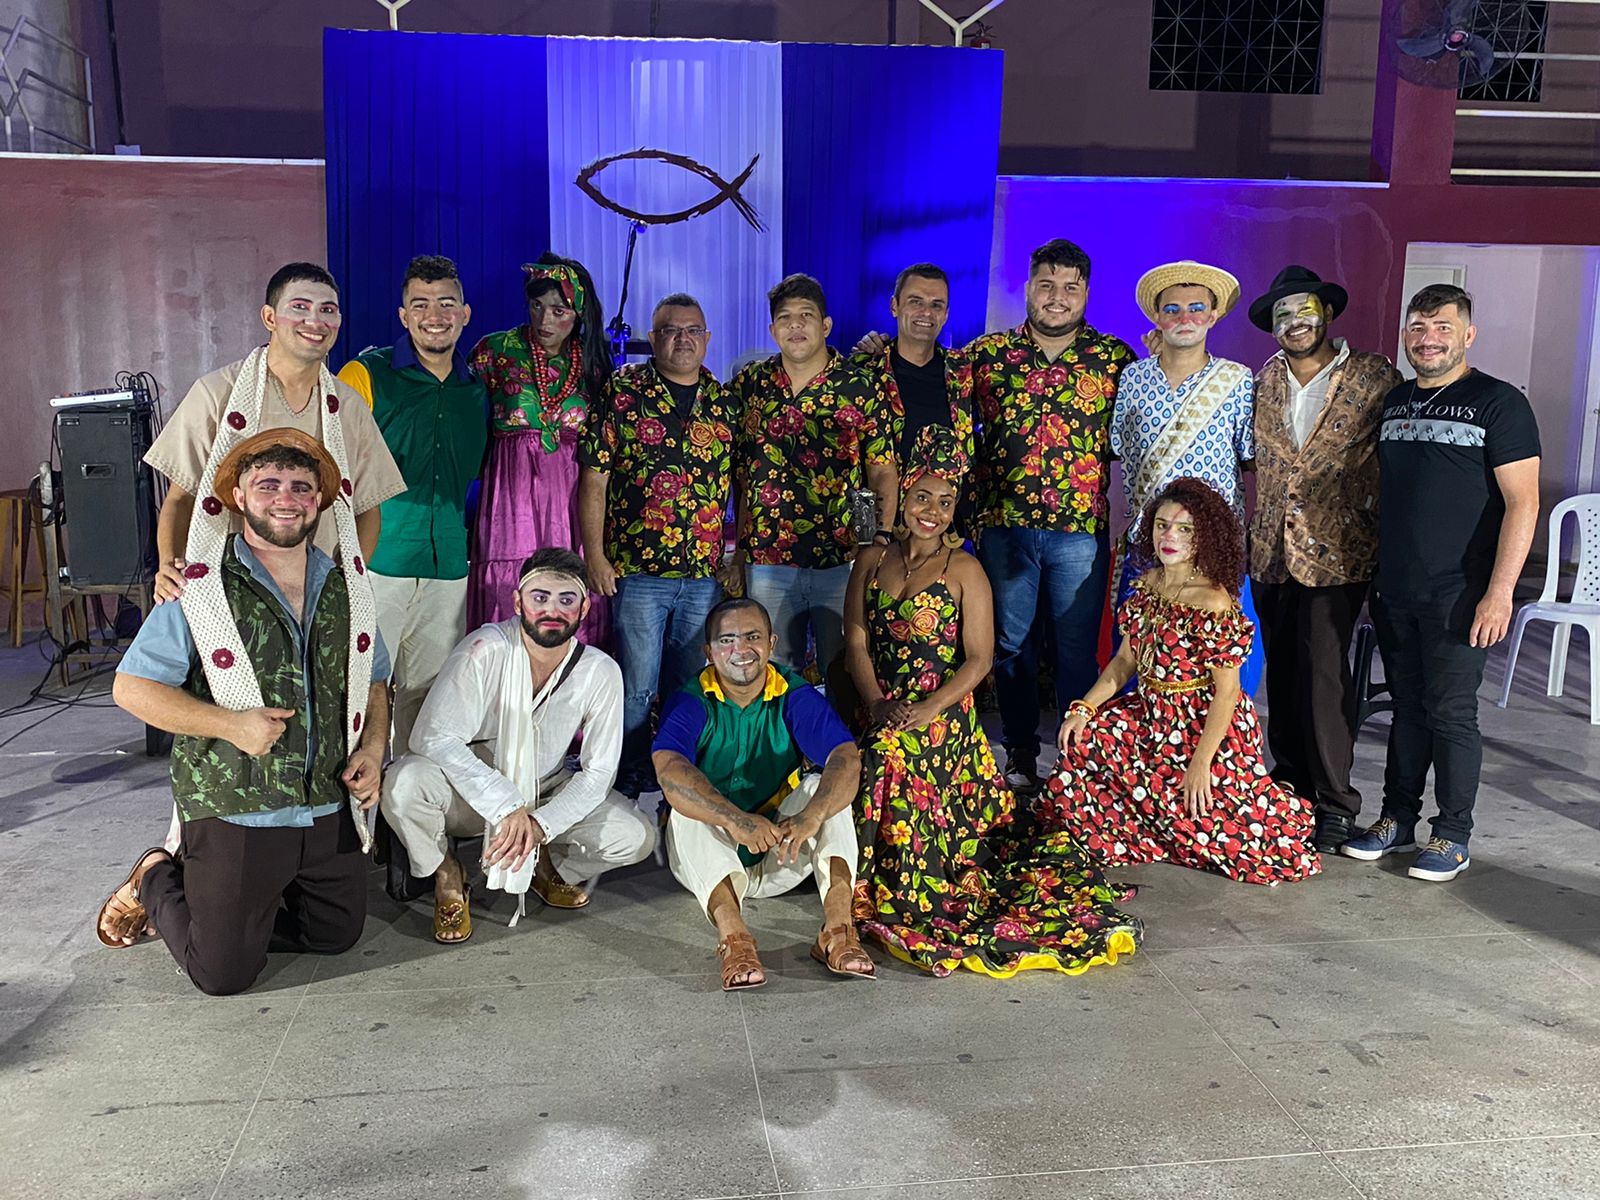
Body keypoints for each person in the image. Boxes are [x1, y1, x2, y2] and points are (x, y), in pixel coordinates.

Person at [95, 429, 391, 994]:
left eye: (301, 487)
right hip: (238, 806)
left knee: (336, 935)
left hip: (325, 802)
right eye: (268, 485)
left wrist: (374, 749)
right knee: (222, 973)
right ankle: (156, 875)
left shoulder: (347, 589)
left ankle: (240, 908)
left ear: (319, 501)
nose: (286, 498)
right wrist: (230, 725)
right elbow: (131, 688)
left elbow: (375, 681)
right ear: (238, 497)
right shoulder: (197, 586)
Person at [844, 428, 1141, 977]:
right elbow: (856, 641)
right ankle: (862, 872)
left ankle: (895, 879)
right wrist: (877, 702)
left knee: (890, 754)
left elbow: (980, 660)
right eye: (922, 497)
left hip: (944, 713)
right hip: (882, 704)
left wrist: (929, 709)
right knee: (877, 746)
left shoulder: (965, 569)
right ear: (903, 498)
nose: (932, 512)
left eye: (945, 502)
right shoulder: (871, 559)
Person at [1341, 285, 1540, 882]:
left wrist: (1500, 593)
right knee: (1407, 710)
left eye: (1443, 327)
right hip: (1397, 589)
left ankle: (1452, 833)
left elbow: (1523, 503)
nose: (1429, 339)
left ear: (1468, 335)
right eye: (1418, 327)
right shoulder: (1396, 402)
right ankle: (1397, 819)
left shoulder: (1499, 403)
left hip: (1462, 593)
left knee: (1451, 713)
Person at [1040, 477, 1320, 886]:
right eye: (1162, 525)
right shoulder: (1147, 585)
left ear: (1204, 537)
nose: (1169, 536)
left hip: (1205, 728)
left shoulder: (1213, 600)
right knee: (1082, 741)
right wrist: (1083, 708)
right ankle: (1146, 824)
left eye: (1184, 529)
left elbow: (1228, 693)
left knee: (1234, 841)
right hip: (1150, 716)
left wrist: (1201, 763)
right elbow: (1124, 663)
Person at [381, 549, 656, 941]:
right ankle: (448, 874)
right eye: (540, 597)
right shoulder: (484, 649)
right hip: (473, 795)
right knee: (403, 784)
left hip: (546, 788)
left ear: (584, 609)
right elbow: (432, 735)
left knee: (635, 836)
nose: (552, 610)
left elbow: (598, 772)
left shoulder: (599, 670)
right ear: (517, 602)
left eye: (566, 599)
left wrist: (541, 825)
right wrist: (505, 802)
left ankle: (541, 863)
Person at [965, 239, 1136, 792]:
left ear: (1086, 292)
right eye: (1046, 285)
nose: (1057, 297)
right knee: (1011, 647)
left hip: (1078, 533)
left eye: (1069, 287)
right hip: (1005, 529)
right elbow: (928, 389)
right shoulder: (987, 355)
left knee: (1076, 651)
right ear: (1028, 289)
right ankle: (1019, 753)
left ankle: (1076, 760)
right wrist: (875, 349)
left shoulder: (1114, 358)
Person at [1246, 266, 1403, 853]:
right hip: (1271, 552)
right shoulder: (1263, 381)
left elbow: (1397, 456)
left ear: (1327, 314)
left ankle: (1336, 803)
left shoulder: (1373, 375)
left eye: (1304, 311)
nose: (1295, 323)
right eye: (1283, 315)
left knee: (1325, 676)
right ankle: (1290, 788)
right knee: (1283, 674)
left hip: (1339, 551)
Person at [146, 262, 405, 604]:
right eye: (300, 307)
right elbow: (181, 498)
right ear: (269, 318)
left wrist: (346, 580)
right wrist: (169, 565)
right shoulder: (217, 393)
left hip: (316, 592)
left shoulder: (348, 405)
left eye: (327, 310)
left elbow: (368, 507)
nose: (315, 321)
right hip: (227, 588)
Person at [653, 597, 874, 989]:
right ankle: (734, 938)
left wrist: (812, 815)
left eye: (752, 637)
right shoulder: (691, 698)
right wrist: (735, 820)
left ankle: (838, 930)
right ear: (709, 652)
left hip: (780, 851)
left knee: (822, 790)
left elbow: (845, 757)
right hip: (711, 861)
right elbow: (668, 768)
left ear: (771, 643)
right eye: (727, 640)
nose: (741, 649)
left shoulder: (793, 693)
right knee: (686, 805)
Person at [577, 292, 738, 798]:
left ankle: (676, 770)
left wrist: (739, 555)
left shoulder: (725, 403)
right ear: (653, 339)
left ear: (707, 339)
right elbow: (593, 480)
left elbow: (745, 483)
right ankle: (626, 773)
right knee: (637, 687)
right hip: (639, 570)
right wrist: (595, 555)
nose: (682, 339)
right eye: (671, 330)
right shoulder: (624, 392)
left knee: (687, 686)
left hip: (703, 574)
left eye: (693, 330)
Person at [337, 254, 489, 759]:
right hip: (377, 561)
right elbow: (331, 469)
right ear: (403, 316)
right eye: (420, 304)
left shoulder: (476, 390)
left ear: (464, 314)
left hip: (448, 567)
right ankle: (355, 803)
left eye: (446, 303)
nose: (434, 315)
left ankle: (408, 803)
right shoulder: (365, 375)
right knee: (360, 690)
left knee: (429, 701)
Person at [724, 274, 899, 685]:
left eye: (806, 315)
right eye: (785, 318)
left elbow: (877, 471)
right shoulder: (751, 384)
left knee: (842, 671)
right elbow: (738, 473)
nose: (796, 325)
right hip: (768, 557)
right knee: (772, 674)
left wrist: (873, 540)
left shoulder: (859, 385)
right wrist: (740, 552)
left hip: (839, 556)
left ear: (826, 325)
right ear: (773, 330)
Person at [467, 254, 611, 642]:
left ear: (579, 313)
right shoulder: (495, 351)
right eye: (537, 306)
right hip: (510, 497)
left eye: (559, 311)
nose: (545, 320)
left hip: (571, 499)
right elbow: (462, 418)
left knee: (568, 585)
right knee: (509, 586)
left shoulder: (594, 364)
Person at [1112, 261, 1252, 589]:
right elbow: (1120, 448)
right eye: (1172, 310)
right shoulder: (1133, 377)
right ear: (1157, 317)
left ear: (1213, 316)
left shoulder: (1236, 379)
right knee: (1137, 622)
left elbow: (1248, 456)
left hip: (1210, 545)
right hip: (1149, 539)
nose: (1184, 318)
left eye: (1196, 309)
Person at [849, 263, 976, 525]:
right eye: (915, 301)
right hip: (876, 525)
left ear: (946, 314)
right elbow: (852, 462)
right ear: (894, 306)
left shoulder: (964, 371)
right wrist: (869, 534)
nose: (926, 312)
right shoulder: (863, 371)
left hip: (941, 526)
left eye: (936, 305)